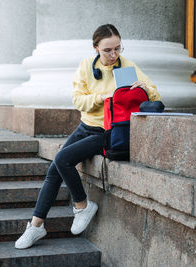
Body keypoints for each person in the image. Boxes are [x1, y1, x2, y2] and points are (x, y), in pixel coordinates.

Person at [15, 24, 161, 249]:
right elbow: (78, 100)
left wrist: (145, 88)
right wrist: (101, 98)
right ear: (96, 49)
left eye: (117, 49)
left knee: (62, 159)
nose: (113, 55)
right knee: (54, 169)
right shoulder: (85, 66)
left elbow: (154, 93)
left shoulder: (128, 66)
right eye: (107, 50)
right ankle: (36, 226)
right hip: (86, 126)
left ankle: (82, 206)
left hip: (109, 131)